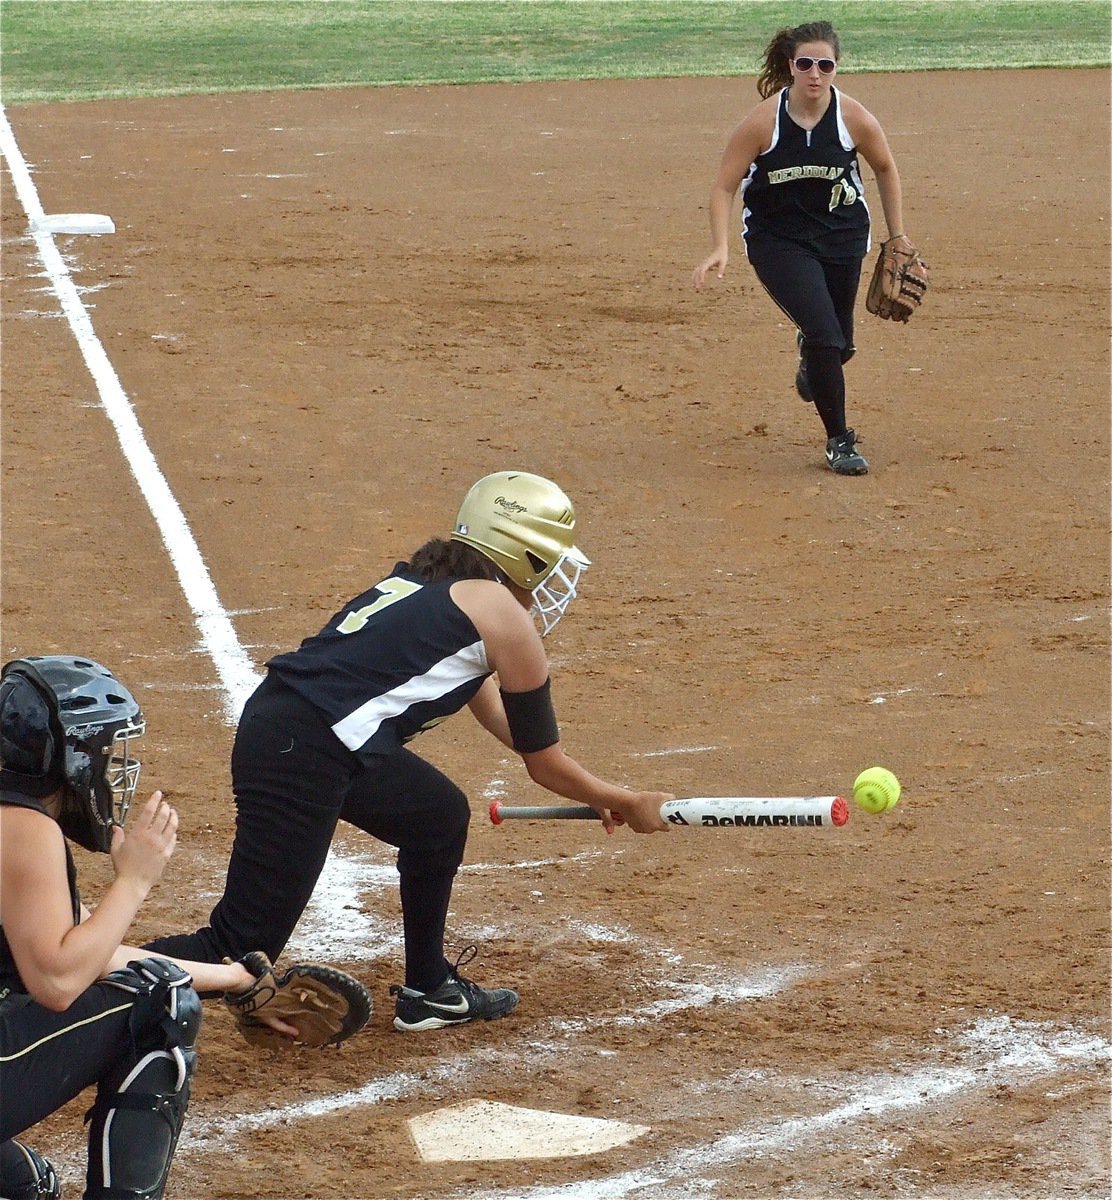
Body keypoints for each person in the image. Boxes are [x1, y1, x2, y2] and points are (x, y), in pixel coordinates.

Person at [143, 470, 674, 1032]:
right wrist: (628, 800)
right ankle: (78, 978)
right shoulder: (505, 617)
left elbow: (515, 731)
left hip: (299, 731)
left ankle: (429, 988)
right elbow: (543, 763)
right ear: (527, 555)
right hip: (309, 749)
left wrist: (602, 796)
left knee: (437, 817)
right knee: (237, 942)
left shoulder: (434, 590)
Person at [0, 655, 297, 1200]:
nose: (111, 767)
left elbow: (97, 953)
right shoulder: (22, 828)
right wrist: (133, 882)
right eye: (104, 751)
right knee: (162, 1002)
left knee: (22, 1186)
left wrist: (234, 979)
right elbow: (60, 981)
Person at [692, 19, 918, 476]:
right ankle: (840, 441)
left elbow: (886, 169)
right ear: (790, 66)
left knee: (841, 346)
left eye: (825, 64)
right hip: (779, 242)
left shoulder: (854, 118)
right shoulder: (762, 123)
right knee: (825, 335)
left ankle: (811, 357)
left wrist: (897, 235)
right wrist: (720, 246)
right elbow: (723, 187)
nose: (815, 73)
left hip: (842, 238)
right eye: (805, 63)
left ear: (837, 68)